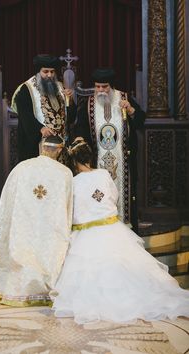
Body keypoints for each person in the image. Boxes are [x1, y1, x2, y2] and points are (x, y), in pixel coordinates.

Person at [51, 138, 189, 324]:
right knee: (127, 269)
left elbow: (70, 210)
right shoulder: (104, 175)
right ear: (90, 158)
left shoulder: (74, 182)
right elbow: (113, 199)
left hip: (86, 235)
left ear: (73, 161)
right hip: (113, 229)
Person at [0, 136, 73, 306]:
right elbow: (68, 207)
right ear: (59, 150)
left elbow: (7, 201)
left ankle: (17, 288)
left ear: (42, 148)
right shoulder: (65, 173)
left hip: (24, 227)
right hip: (51, 230)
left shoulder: (21, 168)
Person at [74, 68, 145, 233]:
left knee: (124, 198)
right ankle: (103, 233)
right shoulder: (88, 104)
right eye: (97, 87)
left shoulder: (125, 98)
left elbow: (141, 121)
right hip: (97, 164)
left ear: (111, 86)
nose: (100, 90)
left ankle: (126, 233)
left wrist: (131, 111)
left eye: (104, 87)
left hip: (124, 164)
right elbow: (80, 131)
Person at [11, 54, 76, 162]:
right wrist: (40, 128)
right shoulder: (26, 89)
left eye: (52, 71)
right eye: (45, 72)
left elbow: (70, 119)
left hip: (61, 147)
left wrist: (70, 101)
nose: (49, 75)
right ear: (38, 72)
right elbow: (25, 116)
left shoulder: (60, 87)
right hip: (38, 146)